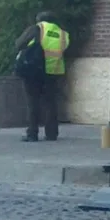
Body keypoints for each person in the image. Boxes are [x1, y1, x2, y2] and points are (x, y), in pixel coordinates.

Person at [14, 11, 70, 143]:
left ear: (39, 20)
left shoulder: (37, 29)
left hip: (35, 70)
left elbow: (19, 44)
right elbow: (64, 49)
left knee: (33, 102)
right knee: (50, 102)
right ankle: (52, 134)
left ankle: (32, 133)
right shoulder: (63, 34)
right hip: (54, 71)